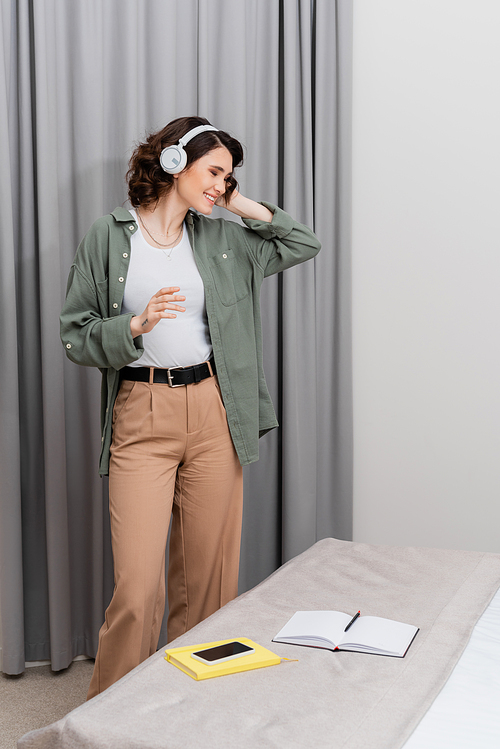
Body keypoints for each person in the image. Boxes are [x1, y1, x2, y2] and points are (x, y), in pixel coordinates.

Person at [60, 116, 321, 698]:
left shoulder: (226, 238)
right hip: (142, 410)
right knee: (136, 587)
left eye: (229, 178)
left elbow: (304, 241)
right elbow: (75, 333)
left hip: (214, 412)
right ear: (175, 162)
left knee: (207, 584)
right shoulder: (110, 235)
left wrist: (235, 203)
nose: (222, 186)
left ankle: (191, 712)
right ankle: (110, 717)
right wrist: (135, 324)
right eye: (214, 172)